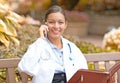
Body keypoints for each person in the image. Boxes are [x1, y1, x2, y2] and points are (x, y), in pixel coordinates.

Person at [18, 5, 88, 83]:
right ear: (45, 23)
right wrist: (41, 39)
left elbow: (83, 71)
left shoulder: (71, 47)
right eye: (51, 22)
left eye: (60, 22)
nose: (56, 26)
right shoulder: (39, 46)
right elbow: (25, 67)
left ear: (65, 25)